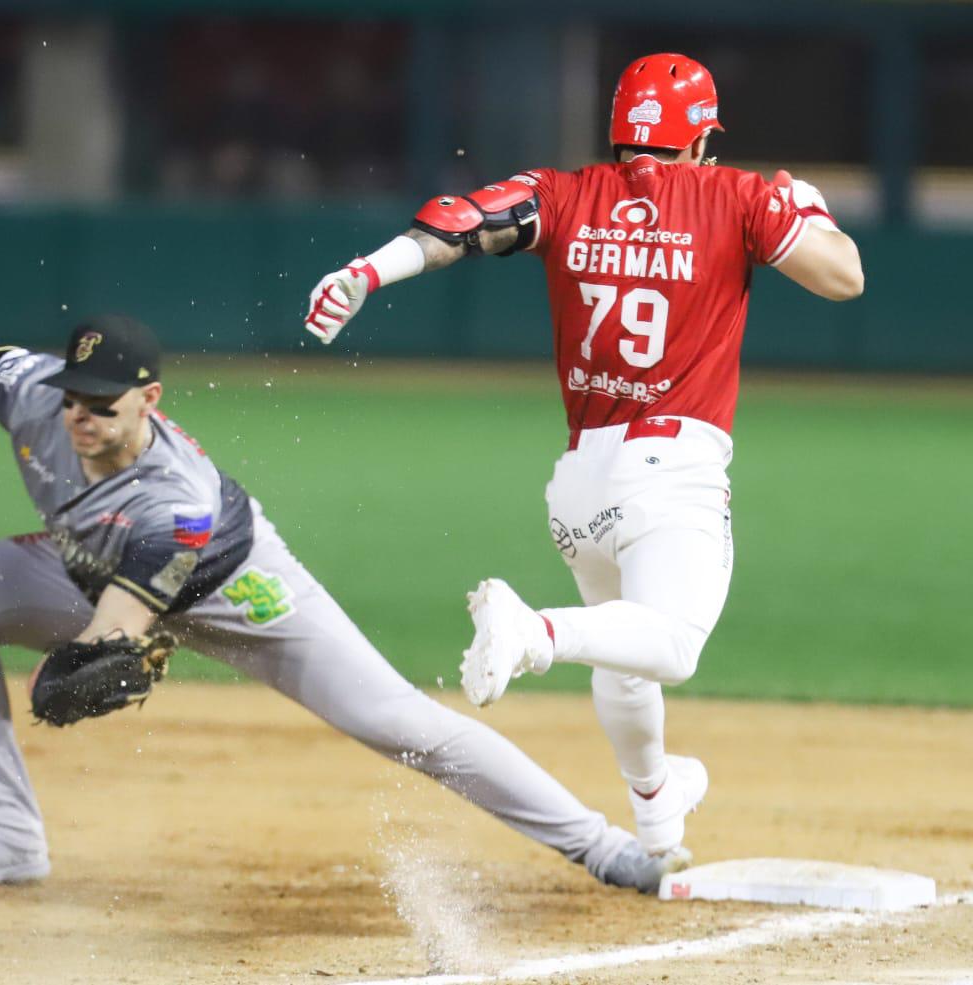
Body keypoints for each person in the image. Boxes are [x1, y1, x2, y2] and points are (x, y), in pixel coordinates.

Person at [0, 314, 685, 892]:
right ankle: (10, 837)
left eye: (102, 404)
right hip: (93, 561)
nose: (80, 417)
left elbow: (120, 621)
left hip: (239, 587)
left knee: (401, 721)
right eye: (73, 400)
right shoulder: (32, 391)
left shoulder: (179, 501)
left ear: (150, 398)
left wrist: (91, 658)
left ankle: (605, 849)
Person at [303, 53, 864, 858]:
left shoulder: (565, 193)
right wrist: (809, 209)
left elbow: (462, 220)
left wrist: (367, 271)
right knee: (669, 644)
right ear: (701, 138)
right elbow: (843, 277)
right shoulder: (740, 196)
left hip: (580, 486)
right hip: (672, 472)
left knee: (625, 656)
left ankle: (657, 807)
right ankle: (532, 633)